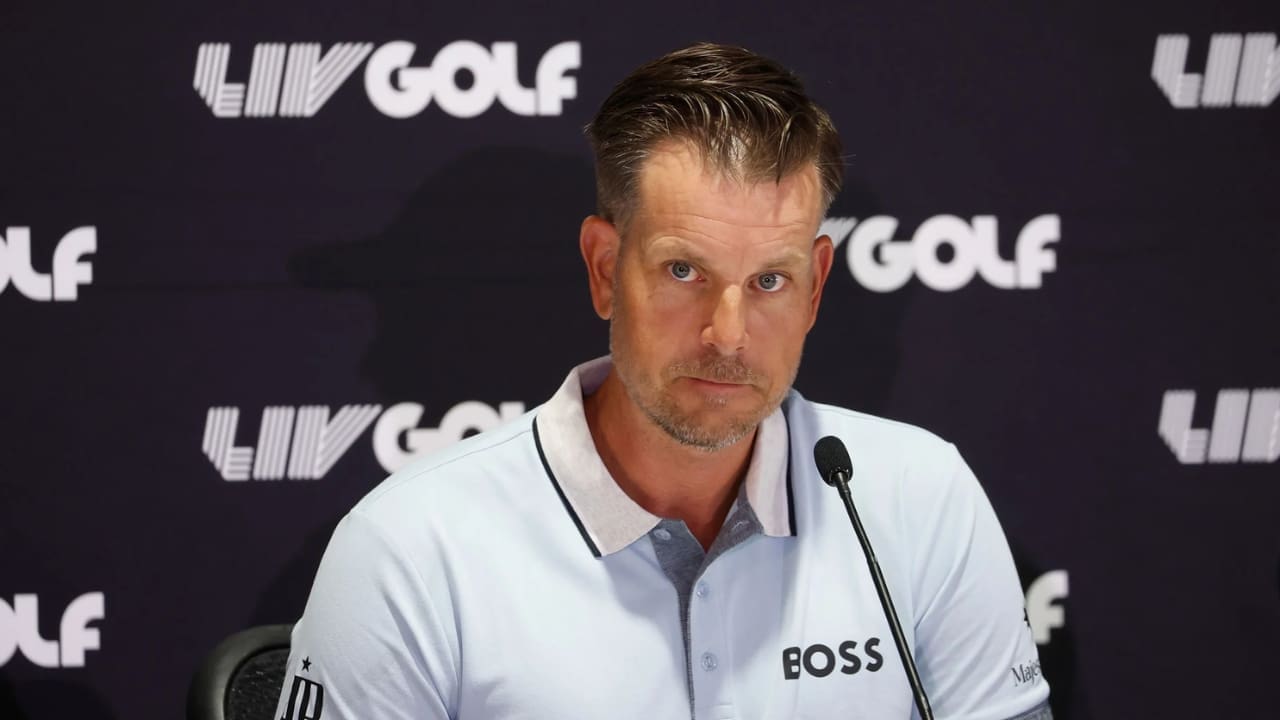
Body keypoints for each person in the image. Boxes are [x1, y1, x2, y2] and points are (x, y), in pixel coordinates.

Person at [274, 42, 1051, 720]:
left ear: (816, 287)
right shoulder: (411, 547)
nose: (728, 334)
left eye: (770, 281)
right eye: (684, 271)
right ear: (604, 269)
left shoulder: (921, 498)